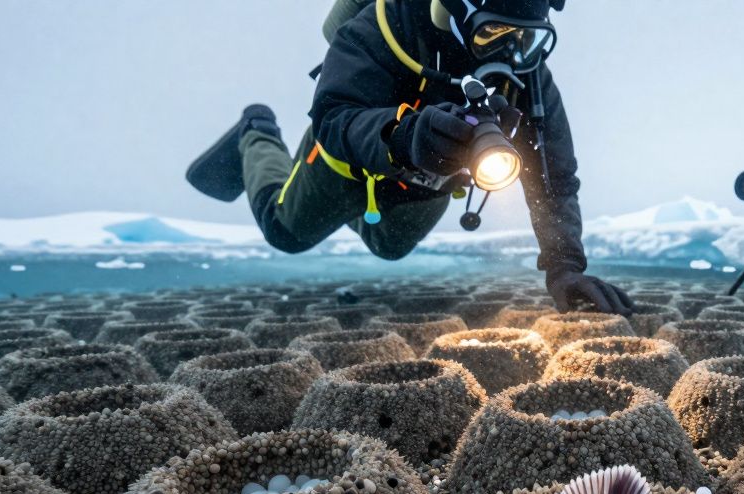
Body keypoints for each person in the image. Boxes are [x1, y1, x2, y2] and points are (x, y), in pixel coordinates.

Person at [186, 0, 633, 316]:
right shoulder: (388, 23)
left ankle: (354, 212)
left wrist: (564, 267)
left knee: (389, 247)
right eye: (493, 31)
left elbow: (555, 176)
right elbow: (334, 113)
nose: (511, 52)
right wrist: (403, 134)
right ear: (453, 12)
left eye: (528, 40)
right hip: (345, 165)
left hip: (425, 186)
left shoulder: (529, 73)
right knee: (285, 231)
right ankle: (256, 130)